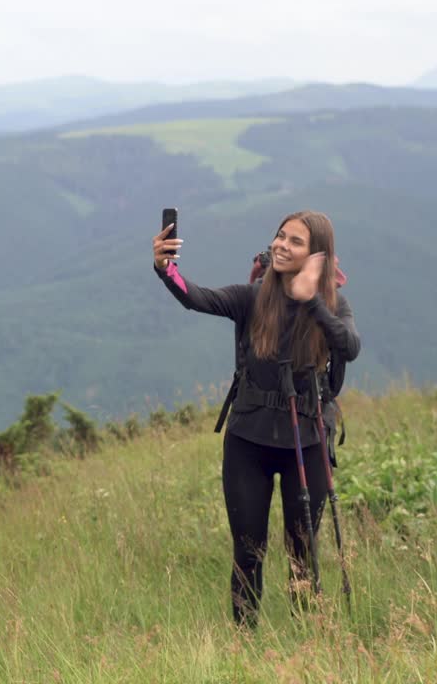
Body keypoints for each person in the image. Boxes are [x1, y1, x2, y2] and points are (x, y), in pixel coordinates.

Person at [152, 210, 361, 626]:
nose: (282, 245)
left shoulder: (333, 305)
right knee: (248, 552)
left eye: (295, 241)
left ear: (317, 255)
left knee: (303, 552)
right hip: (248, 441)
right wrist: (165, 268)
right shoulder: (253, 296)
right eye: (280, 236)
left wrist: (312, 301)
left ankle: (306, 639)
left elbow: (350, 346)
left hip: (308, 441)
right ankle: (245, 644)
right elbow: (195, 297)